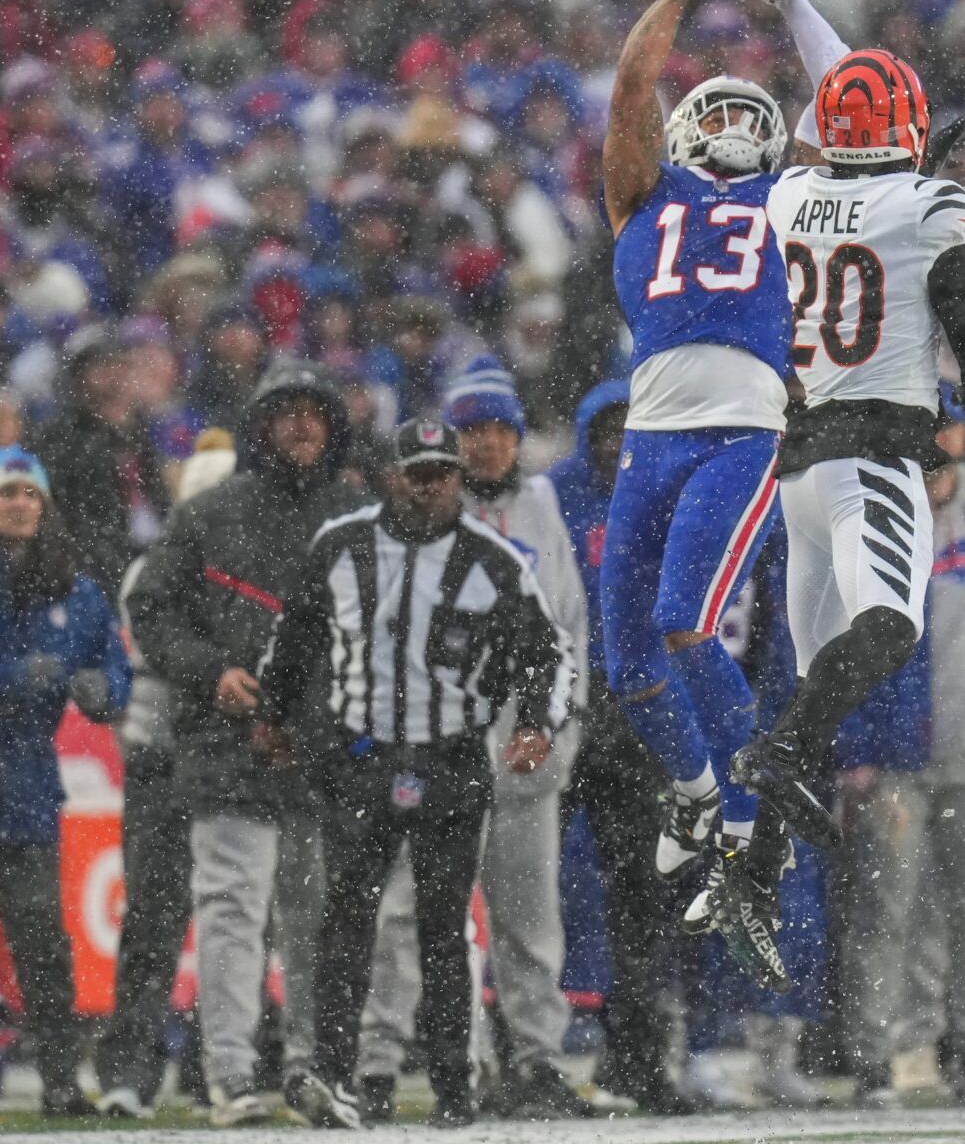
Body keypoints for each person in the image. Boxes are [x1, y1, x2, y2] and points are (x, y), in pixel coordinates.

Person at [596, 0, 848, 988]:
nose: (746, 126)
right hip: (650, 432)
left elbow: (842, 99)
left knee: (689, 620)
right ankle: (699, 792)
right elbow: (627, 81)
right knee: (626, 658)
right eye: (727, 109)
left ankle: (758, 797)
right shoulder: (641, 195)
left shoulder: (786, 197)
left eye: (759, 112)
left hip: (742, 428)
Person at [732, 46, 965, 908]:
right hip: (873, 454)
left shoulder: (787, 195)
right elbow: (962, 311)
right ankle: (770, 762)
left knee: (819, 673)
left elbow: (850, 217)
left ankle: (756, 860)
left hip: (796, 465)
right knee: (889, 629)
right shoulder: (932, 206)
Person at [264, 419, 573, 1130]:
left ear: (459, 478)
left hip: (452, 759)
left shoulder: (493, 559)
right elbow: (297, 633)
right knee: (346, 923)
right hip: (361, 758)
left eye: (443, 471)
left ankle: (452, 1086)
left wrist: (534, 723)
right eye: (417, 471)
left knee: (441, 928)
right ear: (390, 476)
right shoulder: (340, 547)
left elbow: (545, 649)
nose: (431, 484)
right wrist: (273, 713)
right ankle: (338, 1074)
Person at [126, 362, 366, 1125]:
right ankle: (229, 1072)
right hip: (226, 746)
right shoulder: (209, 513)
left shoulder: (358, 515)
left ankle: (308, 1069)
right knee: (231, 911)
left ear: (332, 427)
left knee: (313, 919)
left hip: (324, 754)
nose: (301, 425)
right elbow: (151, 609)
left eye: (313, 412)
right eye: (286, 412)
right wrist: (211, 673)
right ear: (260, 426)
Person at [355, 357, 591, 1121]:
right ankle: (393, 1059)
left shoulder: (543, 510)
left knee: (528, 913)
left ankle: (536, 1059)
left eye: (499, 430)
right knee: (412, 907)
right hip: (440, 741)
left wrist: (559, 722)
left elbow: (568, 628)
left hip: (525, 742)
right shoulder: (415, 520)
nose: (487, 445)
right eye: (473, 431)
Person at [836, 384, 965, 1108]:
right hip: (896, 752)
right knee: (886, 909)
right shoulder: (870, 519)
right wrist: (854, 745)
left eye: (942, 431)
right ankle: (874, 1058)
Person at [0, 446, 130, 1116]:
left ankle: (58, 1080)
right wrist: (17, 676)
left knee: (42, 939)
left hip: (23, 778)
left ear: (45, 504)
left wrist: (99, 690)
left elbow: (113, 674)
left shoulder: (75, 588)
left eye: (30, 494)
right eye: (7, 494)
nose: (20, 504)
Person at [548, 381, 698, 1114]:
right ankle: (528, 1055)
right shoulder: (552, 498)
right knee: (530, 889)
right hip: (560, 704)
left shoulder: (663, 494)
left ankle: (638, 1058)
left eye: (627, 427)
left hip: (635, 708)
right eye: (604, 428)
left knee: (642, 893)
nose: (615, 441)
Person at [95, 429, 237, 1119]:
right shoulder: (152, 571)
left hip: (221, 760)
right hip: (170, 759)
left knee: (227, 922)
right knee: (161, 919)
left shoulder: (238, 566)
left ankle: (218, 1064)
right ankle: (137, 1068)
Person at [32, 326, 169, 596]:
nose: (116, 380)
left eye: (122, 368)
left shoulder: (138, 433)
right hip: (95, 573)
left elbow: (157, 503)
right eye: (104, 369)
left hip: (146, 559)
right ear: (79, 379)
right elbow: (70, 519)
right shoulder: (60, 438)